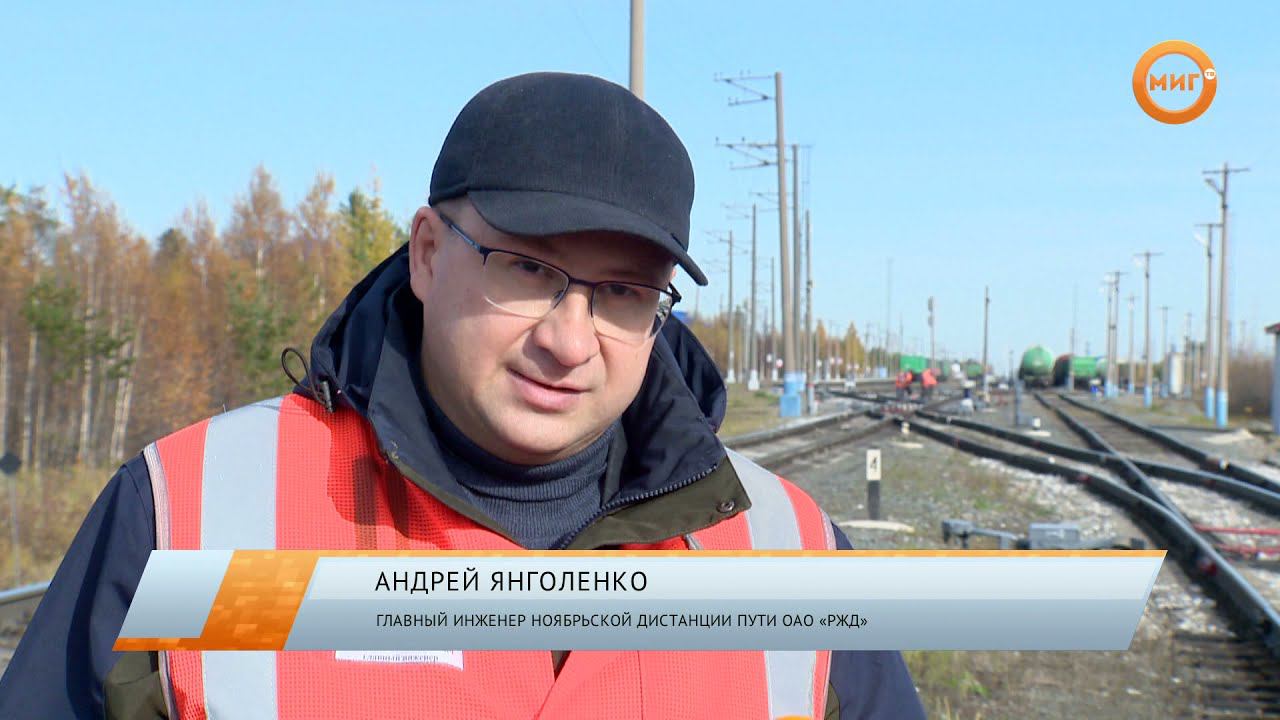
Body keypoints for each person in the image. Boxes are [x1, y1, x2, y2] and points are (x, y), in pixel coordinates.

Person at [0, 72, 924, 719]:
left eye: (623, 293)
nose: (570, 340)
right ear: (429, 254)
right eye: (529, 269)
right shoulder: (194, 514)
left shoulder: (786, 550)